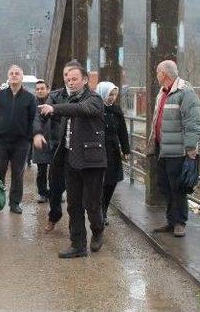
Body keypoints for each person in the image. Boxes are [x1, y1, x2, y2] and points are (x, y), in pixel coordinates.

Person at [34, 61, 107, 258]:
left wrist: (54, 109)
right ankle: (78, 245)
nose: (70, 82)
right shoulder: (61, 97)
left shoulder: (94, 99)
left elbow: (81, 110)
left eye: (75, 79)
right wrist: (37, 133)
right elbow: (40, 114)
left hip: (92, 160)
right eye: (68, 78)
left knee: (91, 203)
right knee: (74, 205)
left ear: (85, 80)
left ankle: (98, 230)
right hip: (69, 158)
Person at [148, 60, 200, 238]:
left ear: (164, 74)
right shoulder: (163, 92)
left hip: (177, 151)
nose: (156, 76)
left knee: (177, 187)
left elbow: (193, 122)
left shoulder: (185, 92)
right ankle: (171, 221)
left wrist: (190, 148)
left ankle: (180, 222)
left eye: (158, 72)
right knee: (164, 185)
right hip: (162, 149)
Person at [0, 65, 36, 214]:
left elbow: (33, 119)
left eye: (17, 73)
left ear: (21, 77)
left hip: (21, 142)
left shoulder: (30, 98)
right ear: (8, 76)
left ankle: (15, 203)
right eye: (11, 73)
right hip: (1, 141)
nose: (14, 75)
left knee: (18, 174)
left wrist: (30, 137)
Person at [95, 81, 130, 226]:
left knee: (112, 182)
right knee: (100, 183)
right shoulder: (95, 108)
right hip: (99, 149)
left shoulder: (116, 110)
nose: (112, 97)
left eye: (115, 94)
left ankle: (104, 209)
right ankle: (98, 211)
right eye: (110, 94)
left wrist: (126, 150)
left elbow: (122, 131)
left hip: (114, 149)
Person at [33, 80, 53, 203]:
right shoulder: (32, 104)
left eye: (42, 88)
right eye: (38, 89)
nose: (40, 91)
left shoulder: (53, 101)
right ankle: (42, 193)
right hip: (40, 141)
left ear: (48, 89)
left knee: (55, 170)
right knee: (41, 170)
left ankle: (55, 191)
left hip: (54, 139)